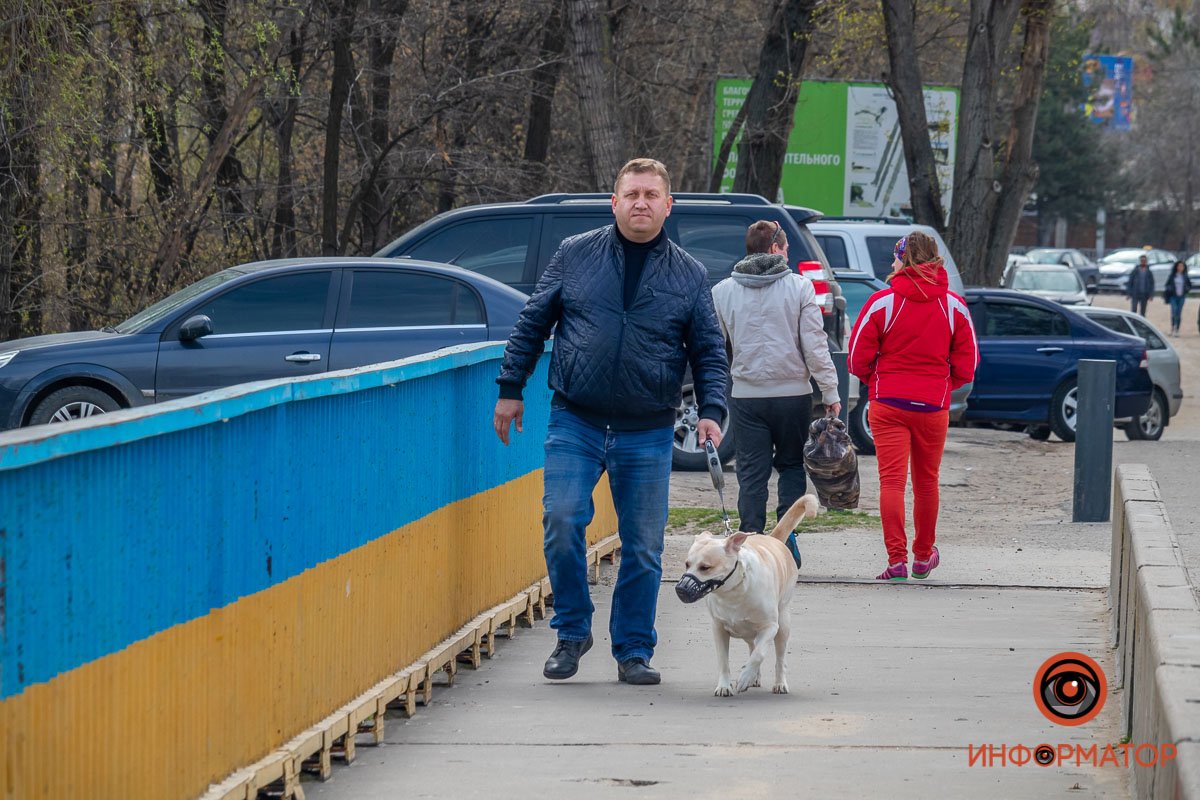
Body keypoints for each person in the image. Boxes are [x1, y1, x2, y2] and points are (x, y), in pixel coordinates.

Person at [493, 157, 728, 686]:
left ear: (668, 205)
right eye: (632, 194)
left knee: (642, 545)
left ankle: (634, 649)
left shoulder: (689, 274)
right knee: (562, 521)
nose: (641, 203)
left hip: (647, 428)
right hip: (575, 419)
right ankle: (572, 632)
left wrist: (712, 411)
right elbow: (532, 322)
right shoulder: (575, 254)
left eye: (651, 195)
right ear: (614, 202)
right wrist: (510, 388)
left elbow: (710, 350)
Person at [710, 220, 841, 569]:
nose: (788, 255)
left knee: (751, 472)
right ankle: (787, 541)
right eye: (785, 248)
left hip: (746, 395)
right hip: (792, 393)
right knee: (791, 465)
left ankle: (750, 545)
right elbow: (815, 345)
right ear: (773, 249)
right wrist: (829, 390)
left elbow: (715, 348)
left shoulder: (723, 291)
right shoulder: (799, 287)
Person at [847, 232, 978, 581]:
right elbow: (967, 365)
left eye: (895, 257)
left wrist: (876, 379)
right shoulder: (953, 306)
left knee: (891, 482)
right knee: (927, 483)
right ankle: (923, 556)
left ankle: (896, 561)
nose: (892, 263)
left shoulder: (882, 302)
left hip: (888, 402)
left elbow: (857, 358)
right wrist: (942, 386)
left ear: (904, 259)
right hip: (933, 405)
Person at [1163, 260, 1192, 336]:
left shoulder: (1185, 276)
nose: (1180, 267)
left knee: (1179, 313)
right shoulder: (1172, 276)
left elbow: (1189, 285)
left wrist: (1186, 289)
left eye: (1182, 266)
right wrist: (1170, 289)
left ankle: (1177, 330)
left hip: (1181, 297)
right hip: (1173, 297)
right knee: (1174, 312)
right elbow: (1167, 285)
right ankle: (1172, 328)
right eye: (1179, 266)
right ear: (1176, 267)